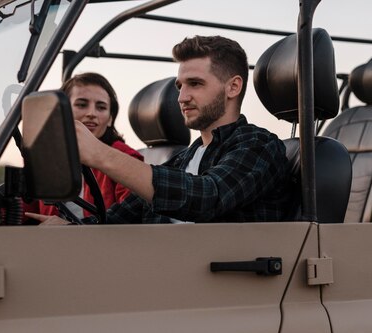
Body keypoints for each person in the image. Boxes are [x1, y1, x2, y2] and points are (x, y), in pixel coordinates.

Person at [39, 35, 290, 224]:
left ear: (233, 87)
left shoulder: (259, 145)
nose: (181, 97)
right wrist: (71, 228)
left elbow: (207, 197)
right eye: (180, 86)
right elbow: (120, 216)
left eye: (195, 84)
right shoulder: (182, 159)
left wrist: (100, 154)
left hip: (227, 287)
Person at [26, 72, 143, 223]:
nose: (91, 113)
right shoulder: (47, 159)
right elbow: (25, 206)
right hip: (50, 242)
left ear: (110, 119)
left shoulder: (125, 157)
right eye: (82, 104)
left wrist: (70, 227)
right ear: (60, 111)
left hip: (101, 245)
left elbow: (132, 217)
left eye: (101, 107)